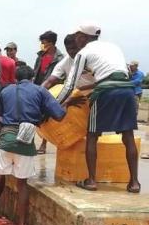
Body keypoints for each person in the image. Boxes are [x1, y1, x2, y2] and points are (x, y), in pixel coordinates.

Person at [0, 65, 68, 225]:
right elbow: (59, 115)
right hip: (26, 143)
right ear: (32, 78)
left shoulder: (6, 91)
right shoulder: (40, 91)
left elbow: (1, 116)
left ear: (15, 78)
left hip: (6, 140)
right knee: (22, 185)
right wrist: (67, 102)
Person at [57, 23, 140, 193]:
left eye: (77, 37)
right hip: (127, 90)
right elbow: (127, 73)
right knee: (128, 136)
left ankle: (91, 181)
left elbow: (69, 84)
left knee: (92, 134)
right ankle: (134, 183)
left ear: (82, 37)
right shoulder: (113, 47)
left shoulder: (83, 52)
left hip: (106, 92)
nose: (76, 40)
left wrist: (55, 104)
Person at [37, 34, 96, 154]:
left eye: (75, 49)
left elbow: (103, 82)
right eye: (69, 49)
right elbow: (49, 81)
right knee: (50, 113)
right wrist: (37, 94)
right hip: (74, 96)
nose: (72, 52)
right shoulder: (64, 62)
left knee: (93, 130)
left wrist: (79, 90)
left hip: (94, 95)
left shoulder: (92, 60)